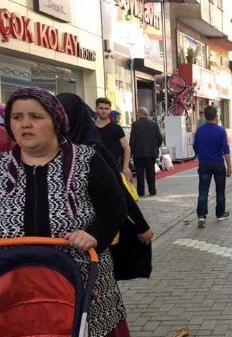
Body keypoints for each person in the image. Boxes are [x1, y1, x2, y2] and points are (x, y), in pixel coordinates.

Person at [0, 87, 141, 337]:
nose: (25, 124)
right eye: (17, 117)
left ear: (55, 122)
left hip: (83, 280)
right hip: (16, 286)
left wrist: (95, 234)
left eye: (35, 116)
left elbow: (114, 206)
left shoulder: (87, 159)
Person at [57, 93, 154, 281]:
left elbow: (117, 194)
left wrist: (141, 226)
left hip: (89, 241)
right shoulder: (44, 153)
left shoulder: (91, 151)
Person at [194, 105, 231, 228]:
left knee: (203, 190)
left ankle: (201, 216)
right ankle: (220, 213)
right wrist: (229, 166)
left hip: (204, 164)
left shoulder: (199, 130)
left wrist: (200, 154)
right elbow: (225, 150)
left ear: (204, 116)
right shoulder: (220, 131)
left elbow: (195, 147)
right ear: (216, 116)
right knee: (220, 190)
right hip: (218, 164)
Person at [94, 97, 132, 180]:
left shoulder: (116, 128)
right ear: (96, 109)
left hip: (116, 168)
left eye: (106, 108)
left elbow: (126, 147)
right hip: (97, 169)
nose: (104, 111)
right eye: (101, 108)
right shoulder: (91, 129)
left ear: (110, 110)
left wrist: (126, 167)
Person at [129, 107, 163, 197]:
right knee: (151, 173)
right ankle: (152, 191)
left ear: (141, 113)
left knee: (140, 174)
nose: (137, 115)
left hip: (138, 154)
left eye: (137, 113)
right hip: (151, 153)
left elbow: (132, 140)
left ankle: (141, 192)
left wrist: (131, 152)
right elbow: (160, 138)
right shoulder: (153, 124)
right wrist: (156, 146)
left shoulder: (135, 125)